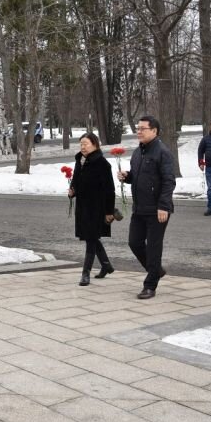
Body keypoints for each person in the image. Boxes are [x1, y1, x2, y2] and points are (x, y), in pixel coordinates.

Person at [117, 116, 176, 300]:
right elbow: (137, 175)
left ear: (154, 131)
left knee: (153, 248)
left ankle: (150, 285)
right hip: (139, 208)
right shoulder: (138, 152)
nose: (139, 131)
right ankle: (156, 270)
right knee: (134, 243)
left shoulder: (163, 152)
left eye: (143, 128)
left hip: (157, 210)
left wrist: (163, 206)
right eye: (138, 128)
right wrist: (127, 176)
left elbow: (168, 182)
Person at [68, 132, 116, 286]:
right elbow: (76, 180)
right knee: (92, 237)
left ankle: (85, 273)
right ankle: (106, 265)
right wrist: (72, 190)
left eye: (86, 144)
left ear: (95, 144)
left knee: (91, 238)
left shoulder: (102, 164)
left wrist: (109, 212)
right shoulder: (80, 160)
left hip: (97, 207)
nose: (83, 147)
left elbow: (110, 190)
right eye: (81, 144)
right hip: (83, 206)